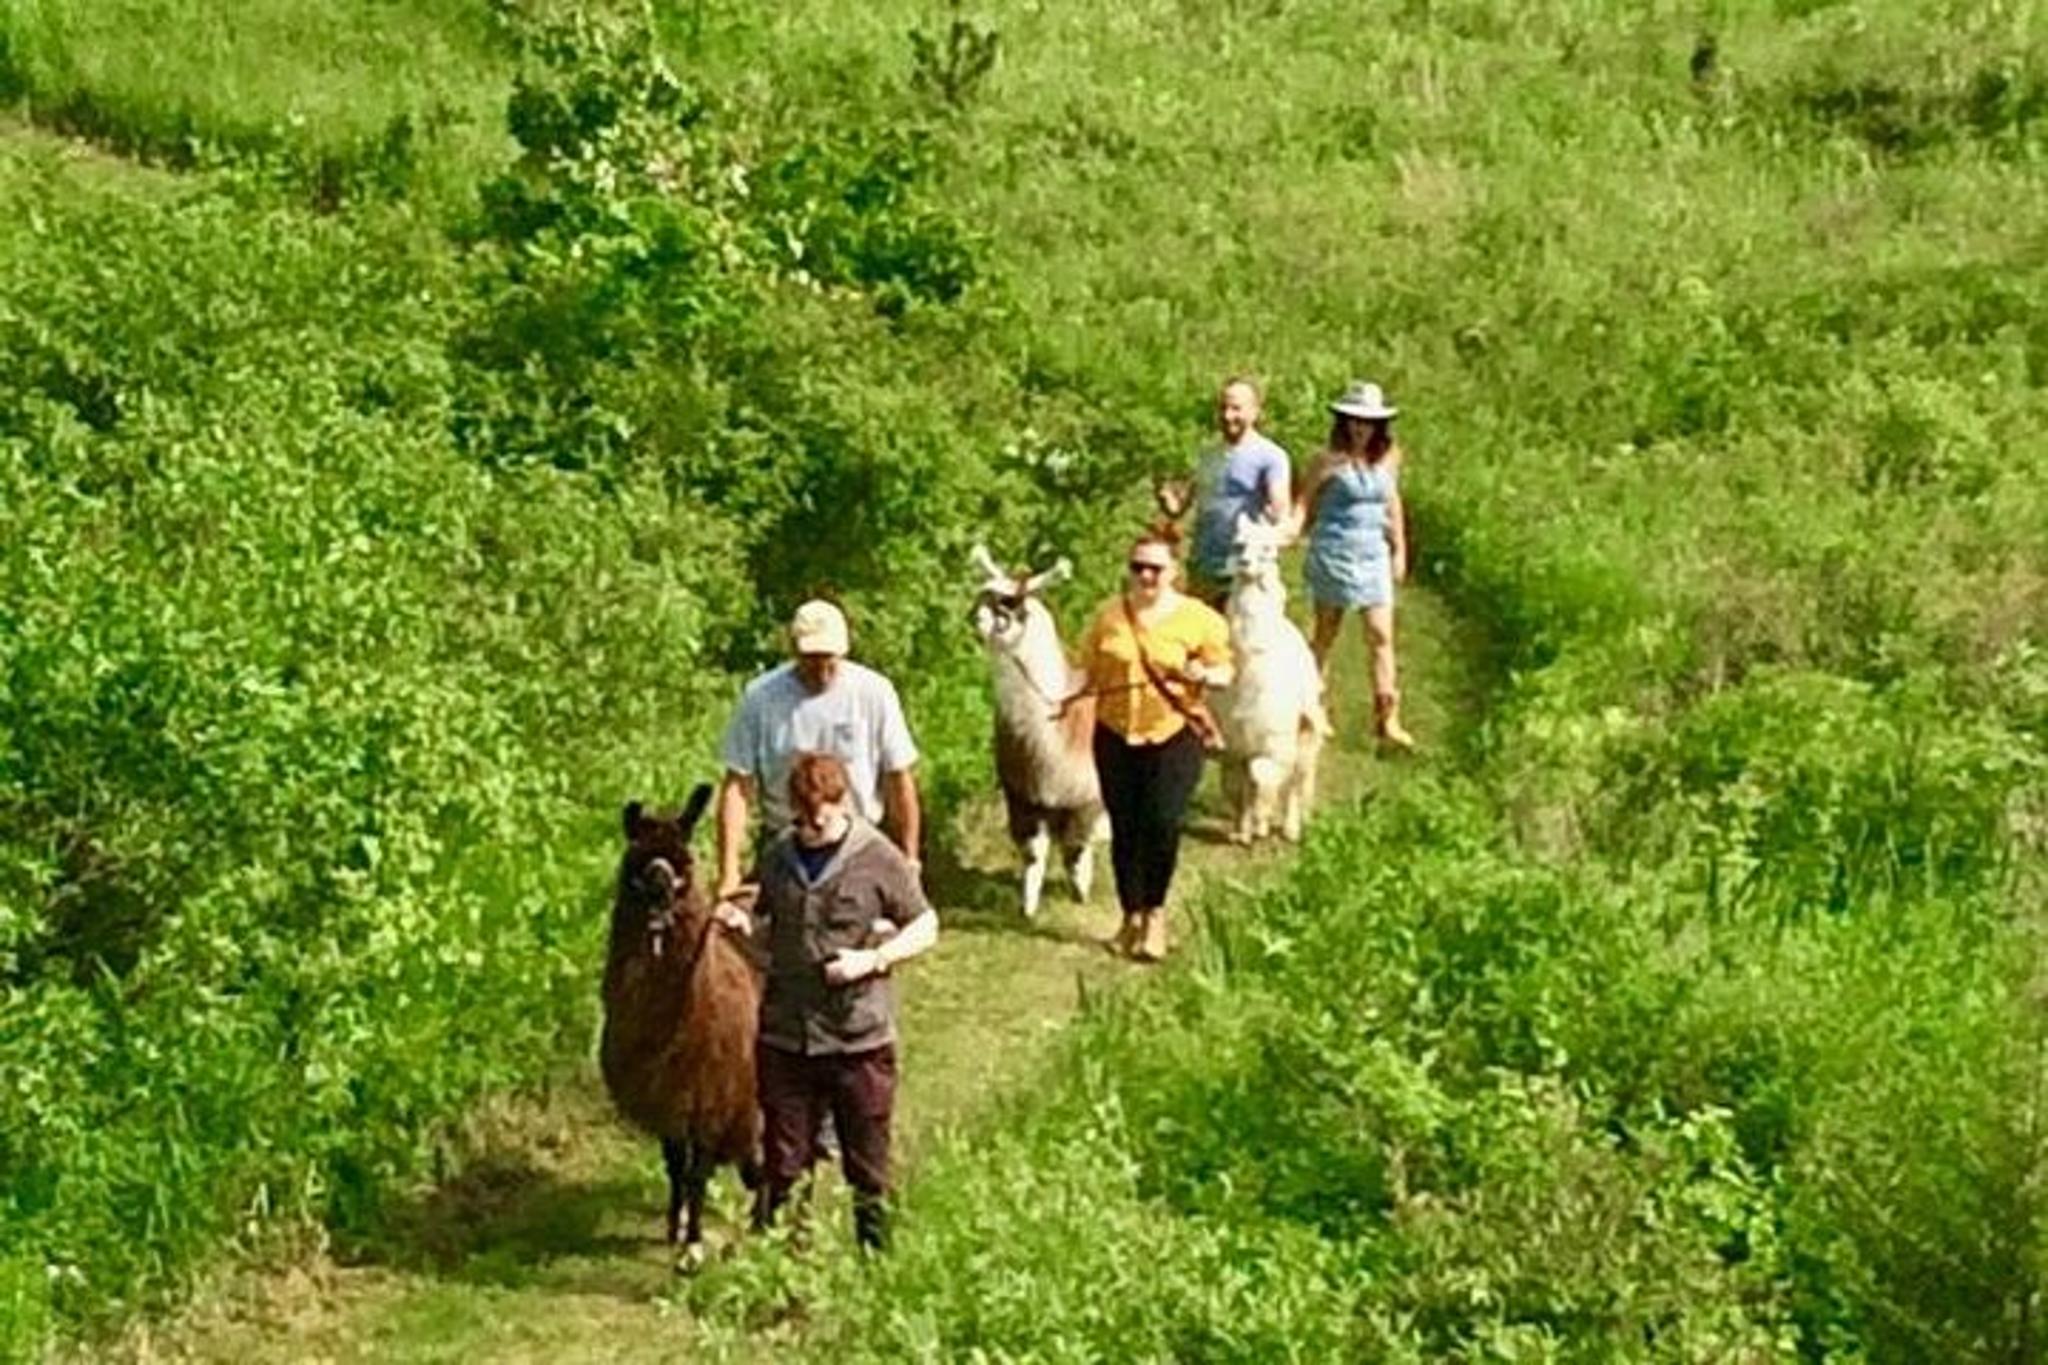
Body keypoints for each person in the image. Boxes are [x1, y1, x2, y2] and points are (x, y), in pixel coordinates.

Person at [714, 751, 938, 1250]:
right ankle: (776, 1263)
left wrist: (873, 961)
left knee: (867, 1164)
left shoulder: (877, 857)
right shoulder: (778, 857)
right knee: (783, 1160)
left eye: (820, 818)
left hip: (858, 1039)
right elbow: (767, 935)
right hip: (787, 1037)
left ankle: (874, 1259)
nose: (810, 827)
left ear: (842, 804)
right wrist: (741, 928)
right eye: (801, 817)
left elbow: (925, 924)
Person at [1074, 525, 1234, 962]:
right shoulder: (1108, 615)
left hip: (1173, 732)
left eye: (1155, 569)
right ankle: (1131, 915)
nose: (1145, 577)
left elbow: (1224, 671)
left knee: (1162, 821)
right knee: (1125, 827)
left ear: (1173, 572)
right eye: (1138, 568)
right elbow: (1085, 669)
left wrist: (1203, 674)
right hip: (1115, 733)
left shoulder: (1199, 619)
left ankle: (1156, 913)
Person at [715, 600, 923, 902]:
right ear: (794, 650)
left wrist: (908, 857)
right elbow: (738, 784)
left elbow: (898, 778)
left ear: (844, 650)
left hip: (859, 842)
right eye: (811, 658)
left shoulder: (874, 693)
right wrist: (729, 870)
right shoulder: (761, 698)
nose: (821, 668)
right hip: (786, 843)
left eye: (829, 658)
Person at [1298, 380, 1413, 749]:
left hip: (1372, 551)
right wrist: (1284, 533)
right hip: (1335, 548)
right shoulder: (1325, 461)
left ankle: (1388, 717)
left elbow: (1391, 503)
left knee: (1381, 634)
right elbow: (1304, 506)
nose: (1359, 427)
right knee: (1326, 633)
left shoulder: (1390, 456)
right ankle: (1312, 705)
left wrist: (1399, 549)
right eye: (1353, 420)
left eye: (1367, 421)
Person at [1186, 377, 1293, 607]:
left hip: (1245, 566)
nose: (1227, 416)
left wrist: (1278, 525)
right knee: (1202, 637)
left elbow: (1280, 508)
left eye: (1236, 408)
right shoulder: (1208, 455)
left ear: (1255, 412)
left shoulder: (1270, 456)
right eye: (1223, 408)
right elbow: (1187, 505)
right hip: (1204, 565)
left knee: (1244, 638)